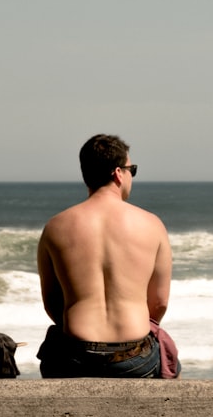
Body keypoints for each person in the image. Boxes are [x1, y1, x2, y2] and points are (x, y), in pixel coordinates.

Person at [36, 134, 175, 378]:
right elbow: (159, 303)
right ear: (118, 173)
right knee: (169, 360)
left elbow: (53, 303)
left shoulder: (55, 227)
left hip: (75, 357)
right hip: (135, 358)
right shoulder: (152, 225)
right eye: (132, 169)